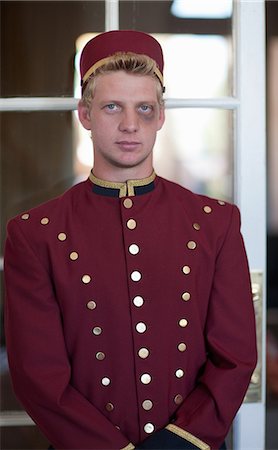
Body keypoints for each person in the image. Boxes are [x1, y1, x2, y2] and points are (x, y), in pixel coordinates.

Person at [4, 30, 257, 450]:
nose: (129, 125)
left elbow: (235, 356)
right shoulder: (35, 233)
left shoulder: (216, 223)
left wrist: (180, 442)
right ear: (85, 115)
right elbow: (38, 376)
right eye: (111, 107)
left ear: (161, 116)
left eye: (144, 108)